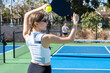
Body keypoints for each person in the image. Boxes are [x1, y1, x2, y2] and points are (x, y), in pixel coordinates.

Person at [23, 4, 79, 73]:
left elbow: (26, 15)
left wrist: (41, 8)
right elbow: (70, 39)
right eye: (44, 20)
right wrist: (75, 23)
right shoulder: (46, 37)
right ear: (36, 23)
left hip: (32, 68)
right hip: (43, 69)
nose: (47, 22)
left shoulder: (27, 36)